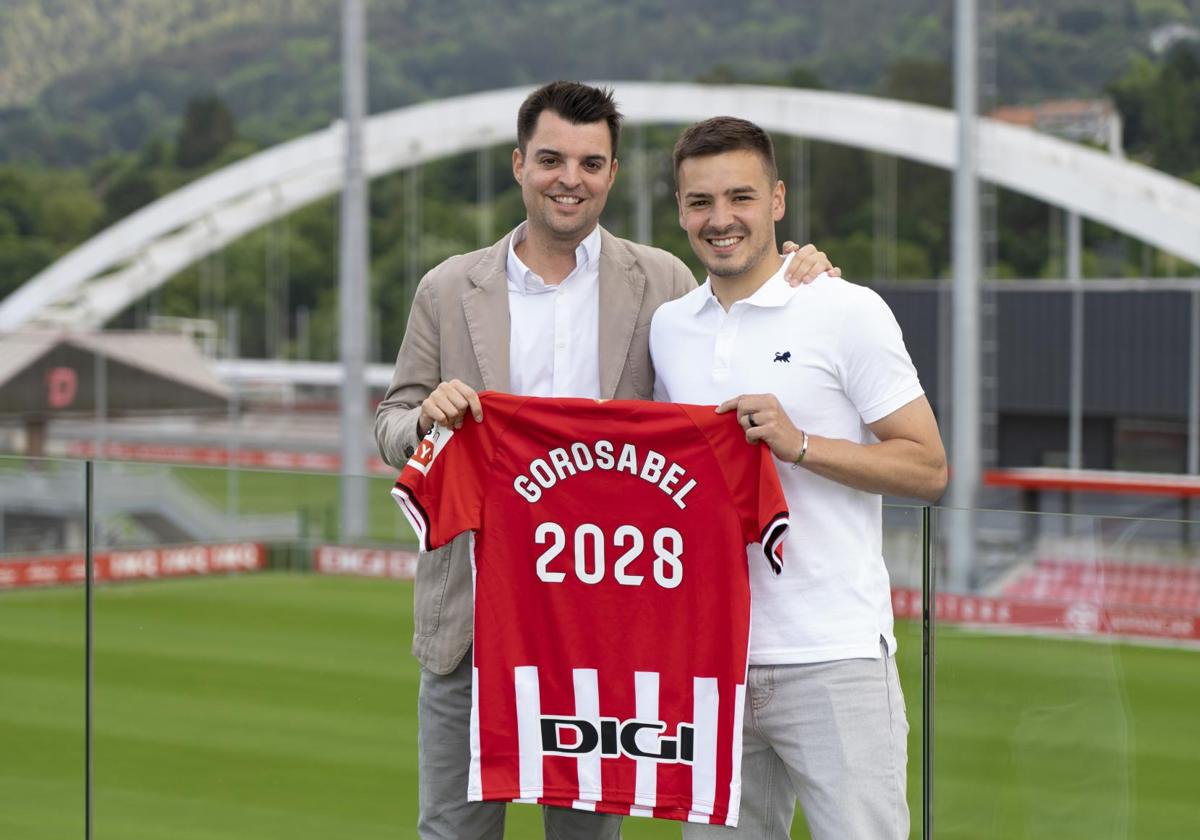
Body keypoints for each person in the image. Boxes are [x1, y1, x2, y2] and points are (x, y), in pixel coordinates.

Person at [374, 82, 836, 840]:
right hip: (472, 614)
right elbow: (390, 422)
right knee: (452, 832)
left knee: (586, 837)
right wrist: (426, 420)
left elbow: (733, 347)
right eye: (551, 158)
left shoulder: (663, 283)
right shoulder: (449, 287)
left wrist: (800, 271)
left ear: (613, 174)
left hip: (598, 619)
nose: (570, 178)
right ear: (519, 164)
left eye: (591, 163)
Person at [649, 116, 948, 839]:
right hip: (713, 662)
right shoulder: (669, 326)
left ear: (778, 201)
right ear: (680, 210)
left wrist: (801, 444)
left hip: (834, 655)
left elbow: (929, 468)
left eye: (741, 197)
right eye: (700, 202)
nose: (720, 220)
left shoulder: (847, 310)